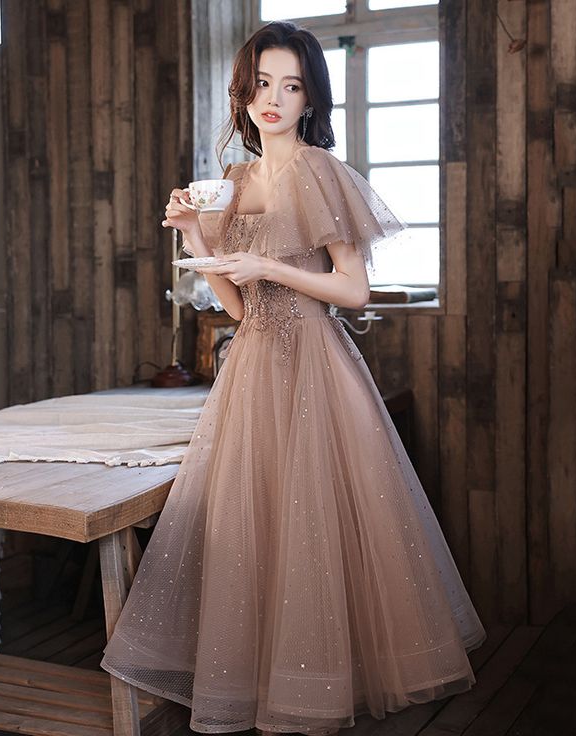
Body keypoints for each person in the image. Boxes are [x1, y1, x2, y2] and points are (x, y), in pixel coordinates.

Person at [101, 20, 486, 736]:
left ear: (311, 97)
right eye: (263, 83)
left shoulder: (318, 170)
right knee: (257, 526)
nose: (273, 98)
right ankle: (257, 680)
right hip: (252, 366)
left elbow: (354, 290)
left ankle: (318, 689)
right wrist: (193, 235)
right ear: (242, 91)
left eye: (292, 84)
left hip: (315, 361)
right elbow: (239, 305)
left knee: (316, 523)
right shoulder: (239, 181)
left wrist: (269, 265)